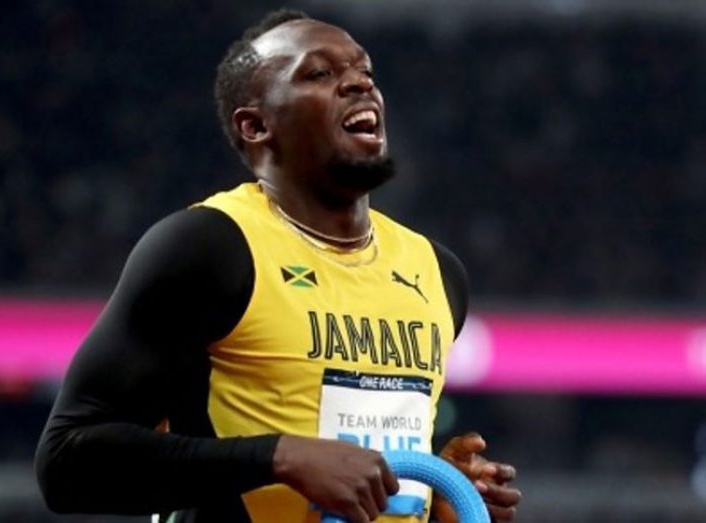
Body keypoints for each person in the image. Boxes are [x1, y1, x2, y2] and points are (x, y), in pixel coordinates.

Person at [34, 8, 521, 523]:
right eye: (320, 73)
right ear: (257, 124)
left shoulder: (438, 273)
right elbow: (68, 464)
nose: (358, 83)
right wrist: (279, 456)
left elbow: (360, 477)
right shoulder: (209, 247)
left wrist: (432, 497)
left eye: (365, 71)